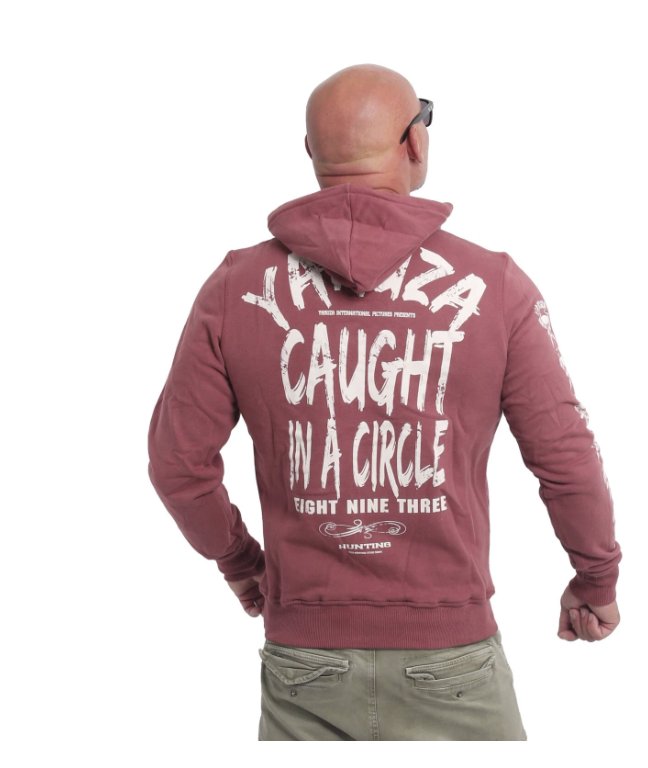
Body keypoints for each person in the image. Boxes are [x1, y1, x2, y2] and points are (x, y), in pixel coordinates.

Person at [147, 63, 622, 741]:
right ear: (415, 143)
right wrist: (595, 577)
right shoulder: (494, 287)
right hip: (452, 658)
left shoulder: (235, 287)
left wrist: (243, 564)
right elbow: (566, 456)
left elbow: (177, 464)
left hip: (304, 660)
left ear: (311, 153)